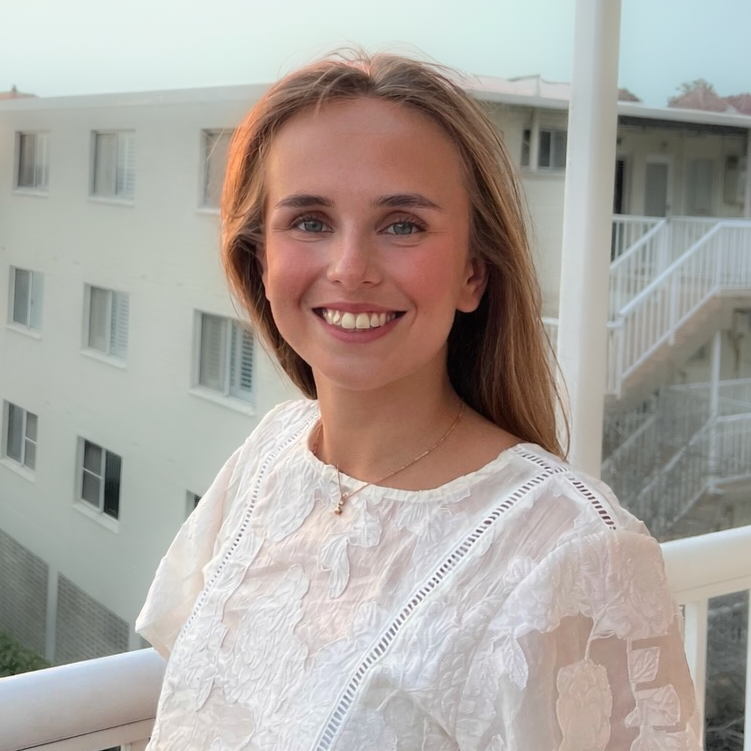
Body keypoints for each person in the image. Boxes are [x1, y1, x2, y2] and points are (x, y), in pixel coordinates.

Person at [136, 51, 700, 750]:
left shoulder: (569, 552)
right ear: (261, 259)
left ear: (472, 273)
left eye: (401, 224)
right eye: (309, 221)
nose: (350, 269)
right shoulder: (268, 459)